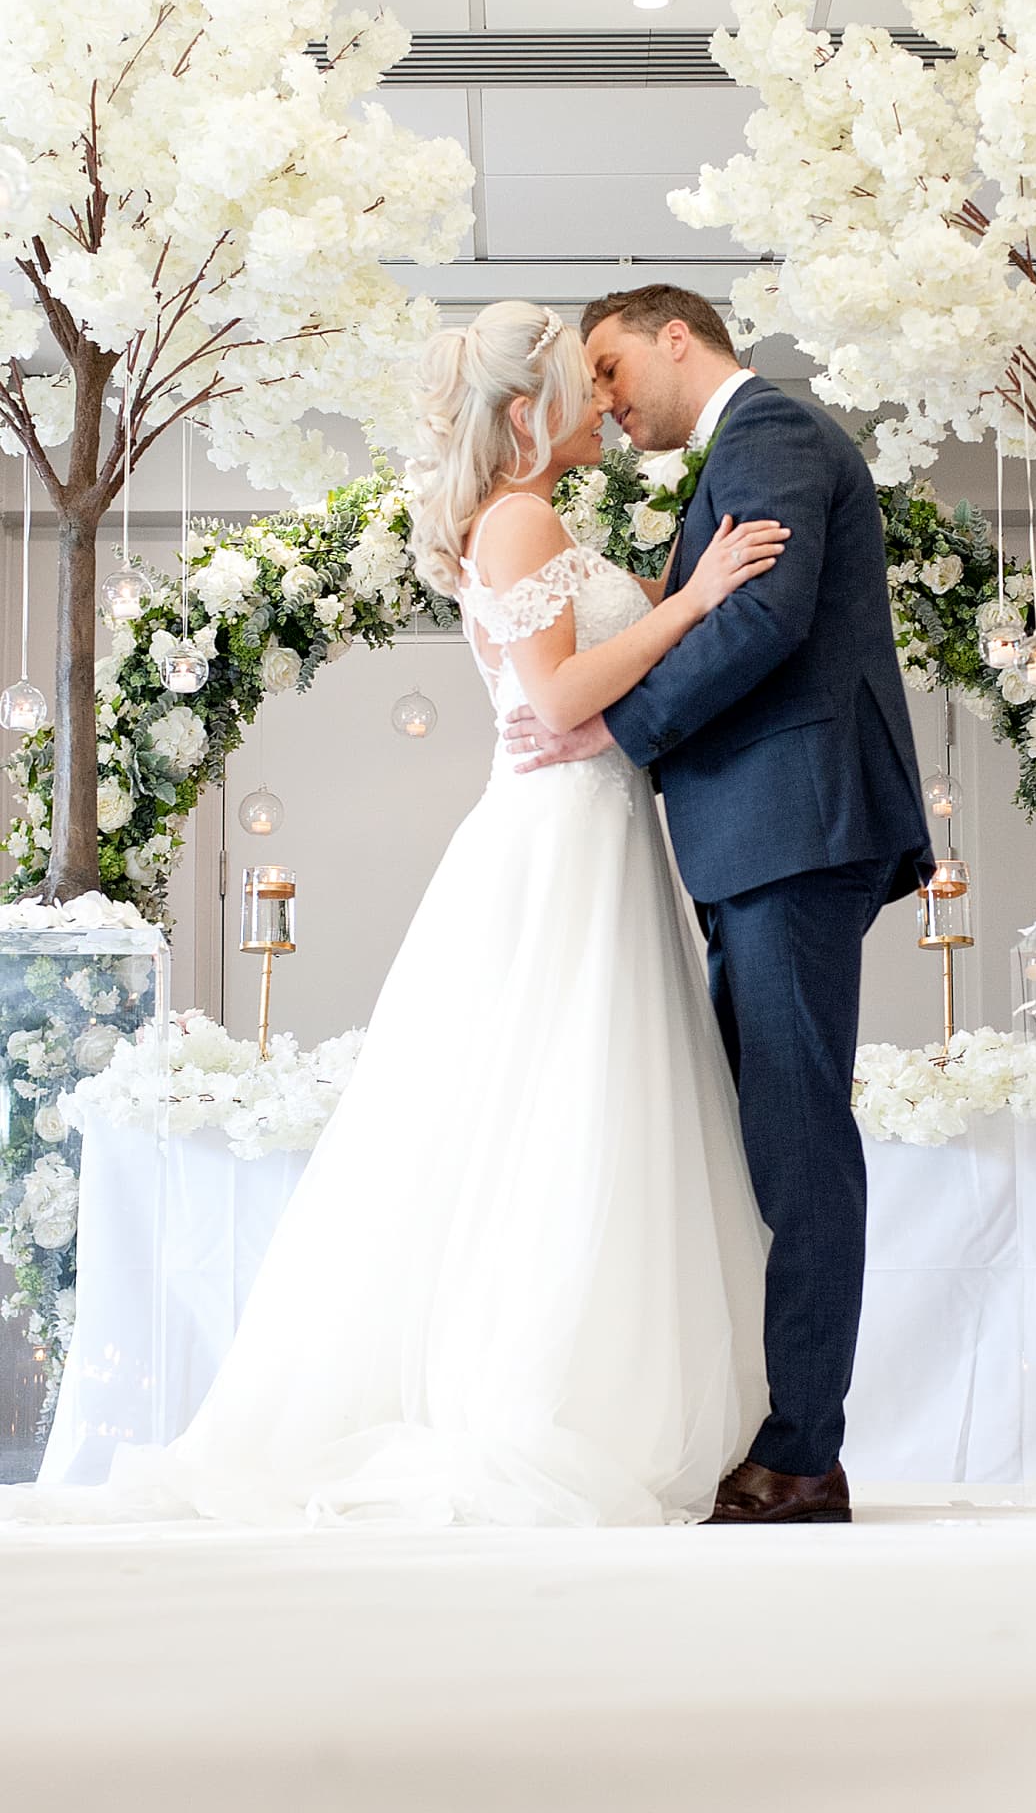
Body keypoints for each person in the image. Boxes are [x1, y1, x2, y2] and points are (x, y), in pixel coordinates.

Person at [5, 300, 784, 1530]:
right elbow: (563, 690)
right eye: (583, 382)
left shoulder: (538, 519)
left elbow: (588, 673)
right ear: (531, 411)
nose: (603, 397)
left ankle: (590, 1386)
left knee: (581, 1101)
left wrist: (672, 590)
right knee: (561, 1100)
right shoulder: (521, 517)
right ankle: (538, 1396)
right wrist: (694, 604)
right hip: (557, 835)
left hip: (593, 828)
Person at [505, 285, 933, 1526]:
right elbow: (713, 607)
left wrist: (613, 732)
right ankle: (772, 1425)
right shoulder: (736, 459)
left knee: (798, 1140)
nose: (604, 397)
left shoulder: (772, 436)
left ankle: (803, 1455)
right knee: (767, 1136)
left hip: (794, 828)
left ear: (673, 336)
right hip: (765, 834)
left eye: (610, 364)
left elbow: (761, 616)